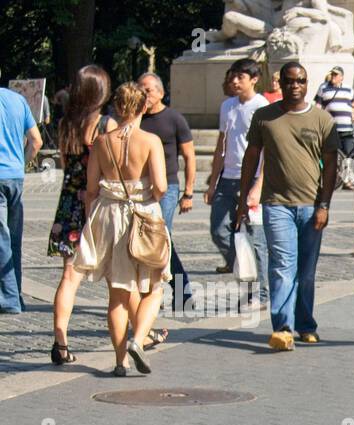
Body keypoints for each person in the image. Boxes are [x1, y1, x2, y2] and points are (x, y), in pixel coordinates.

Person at [238, 61, 339, 351]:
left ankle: (306, 324)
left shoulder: (322, 119)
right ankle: (283, 327)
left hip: (311, 205)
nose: (295, 86)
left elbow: (331, 166)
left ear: (307, 84)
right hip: (276, 204)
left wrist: (325, 204)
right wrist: (243, 199)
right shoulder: (264, 117)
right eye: (290, 81)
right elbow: (251, 158)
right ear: (279, 83)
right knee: (282, 266)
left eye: (301, 81)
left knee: (306, 271)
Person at [74, 82, 169, 376]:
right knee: (154, 286)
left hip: (108, 215)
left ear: (116, 107)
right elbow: (162, 186)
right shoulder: (150, 140)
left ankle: (119, 362)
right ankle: (138, 341)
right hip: (143, 214)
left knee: (116, 295)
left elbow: (90, 189)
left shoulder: (102, 142)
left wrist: (94, 220)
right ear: (144, 107)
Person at [46, 65, 111, 365]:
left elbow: (63, 163)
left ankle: (60, 343)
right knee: (116, 276)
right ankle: (133, 334)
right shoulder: (104, 125)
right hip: (97, 205)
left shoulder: (64, 125)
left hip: (69, 204)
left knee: (69, 277)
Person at [205, 59, 268, 305]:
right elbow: (221, 144)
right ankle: (245, 272)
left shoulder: (261, 106)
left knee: (255, 237)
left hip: (251, 177)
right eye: (232, 77)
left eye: (240, 77)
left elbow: (268, 149)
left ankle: (261, 292)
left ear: (254, 79)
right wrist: (212, 182)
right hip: (227, 177)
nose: (234, 81)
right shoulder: (227, 106)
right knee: (219, 231)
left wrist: (259, 185)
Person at [138, 73, 195, 324]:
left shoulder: (174, 119)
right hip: (141, 187)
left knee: (162, 240)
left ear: (160, 93)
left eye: (149, 90)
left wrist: (188, 192)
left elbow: (189, 156)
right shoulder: (136, 119)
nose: (145, 94)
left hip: (168, 187)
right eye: (141, 89)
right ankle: (152, 292)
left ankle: (179, 291)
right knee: (150, 242)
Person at [0, 71, 41, 314]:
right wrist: (21, 164)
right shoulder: (18, 100)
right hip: (15, 176)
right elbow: (36, 142)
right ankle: (15, 295)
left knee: (2, 239)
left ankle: (9, 300)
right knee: (12, 239)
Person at [314, 65, 354, 159]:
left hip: (347, 129)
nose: (333, 76)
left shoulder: (349, 88)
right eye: (332, 74)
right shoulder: (323, 87)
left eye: (336, 74)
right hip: (331, 129)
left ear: (341, 77)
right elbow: (318, 106)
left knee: (349, 156)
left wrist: (353, 114)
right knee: (332, 156)